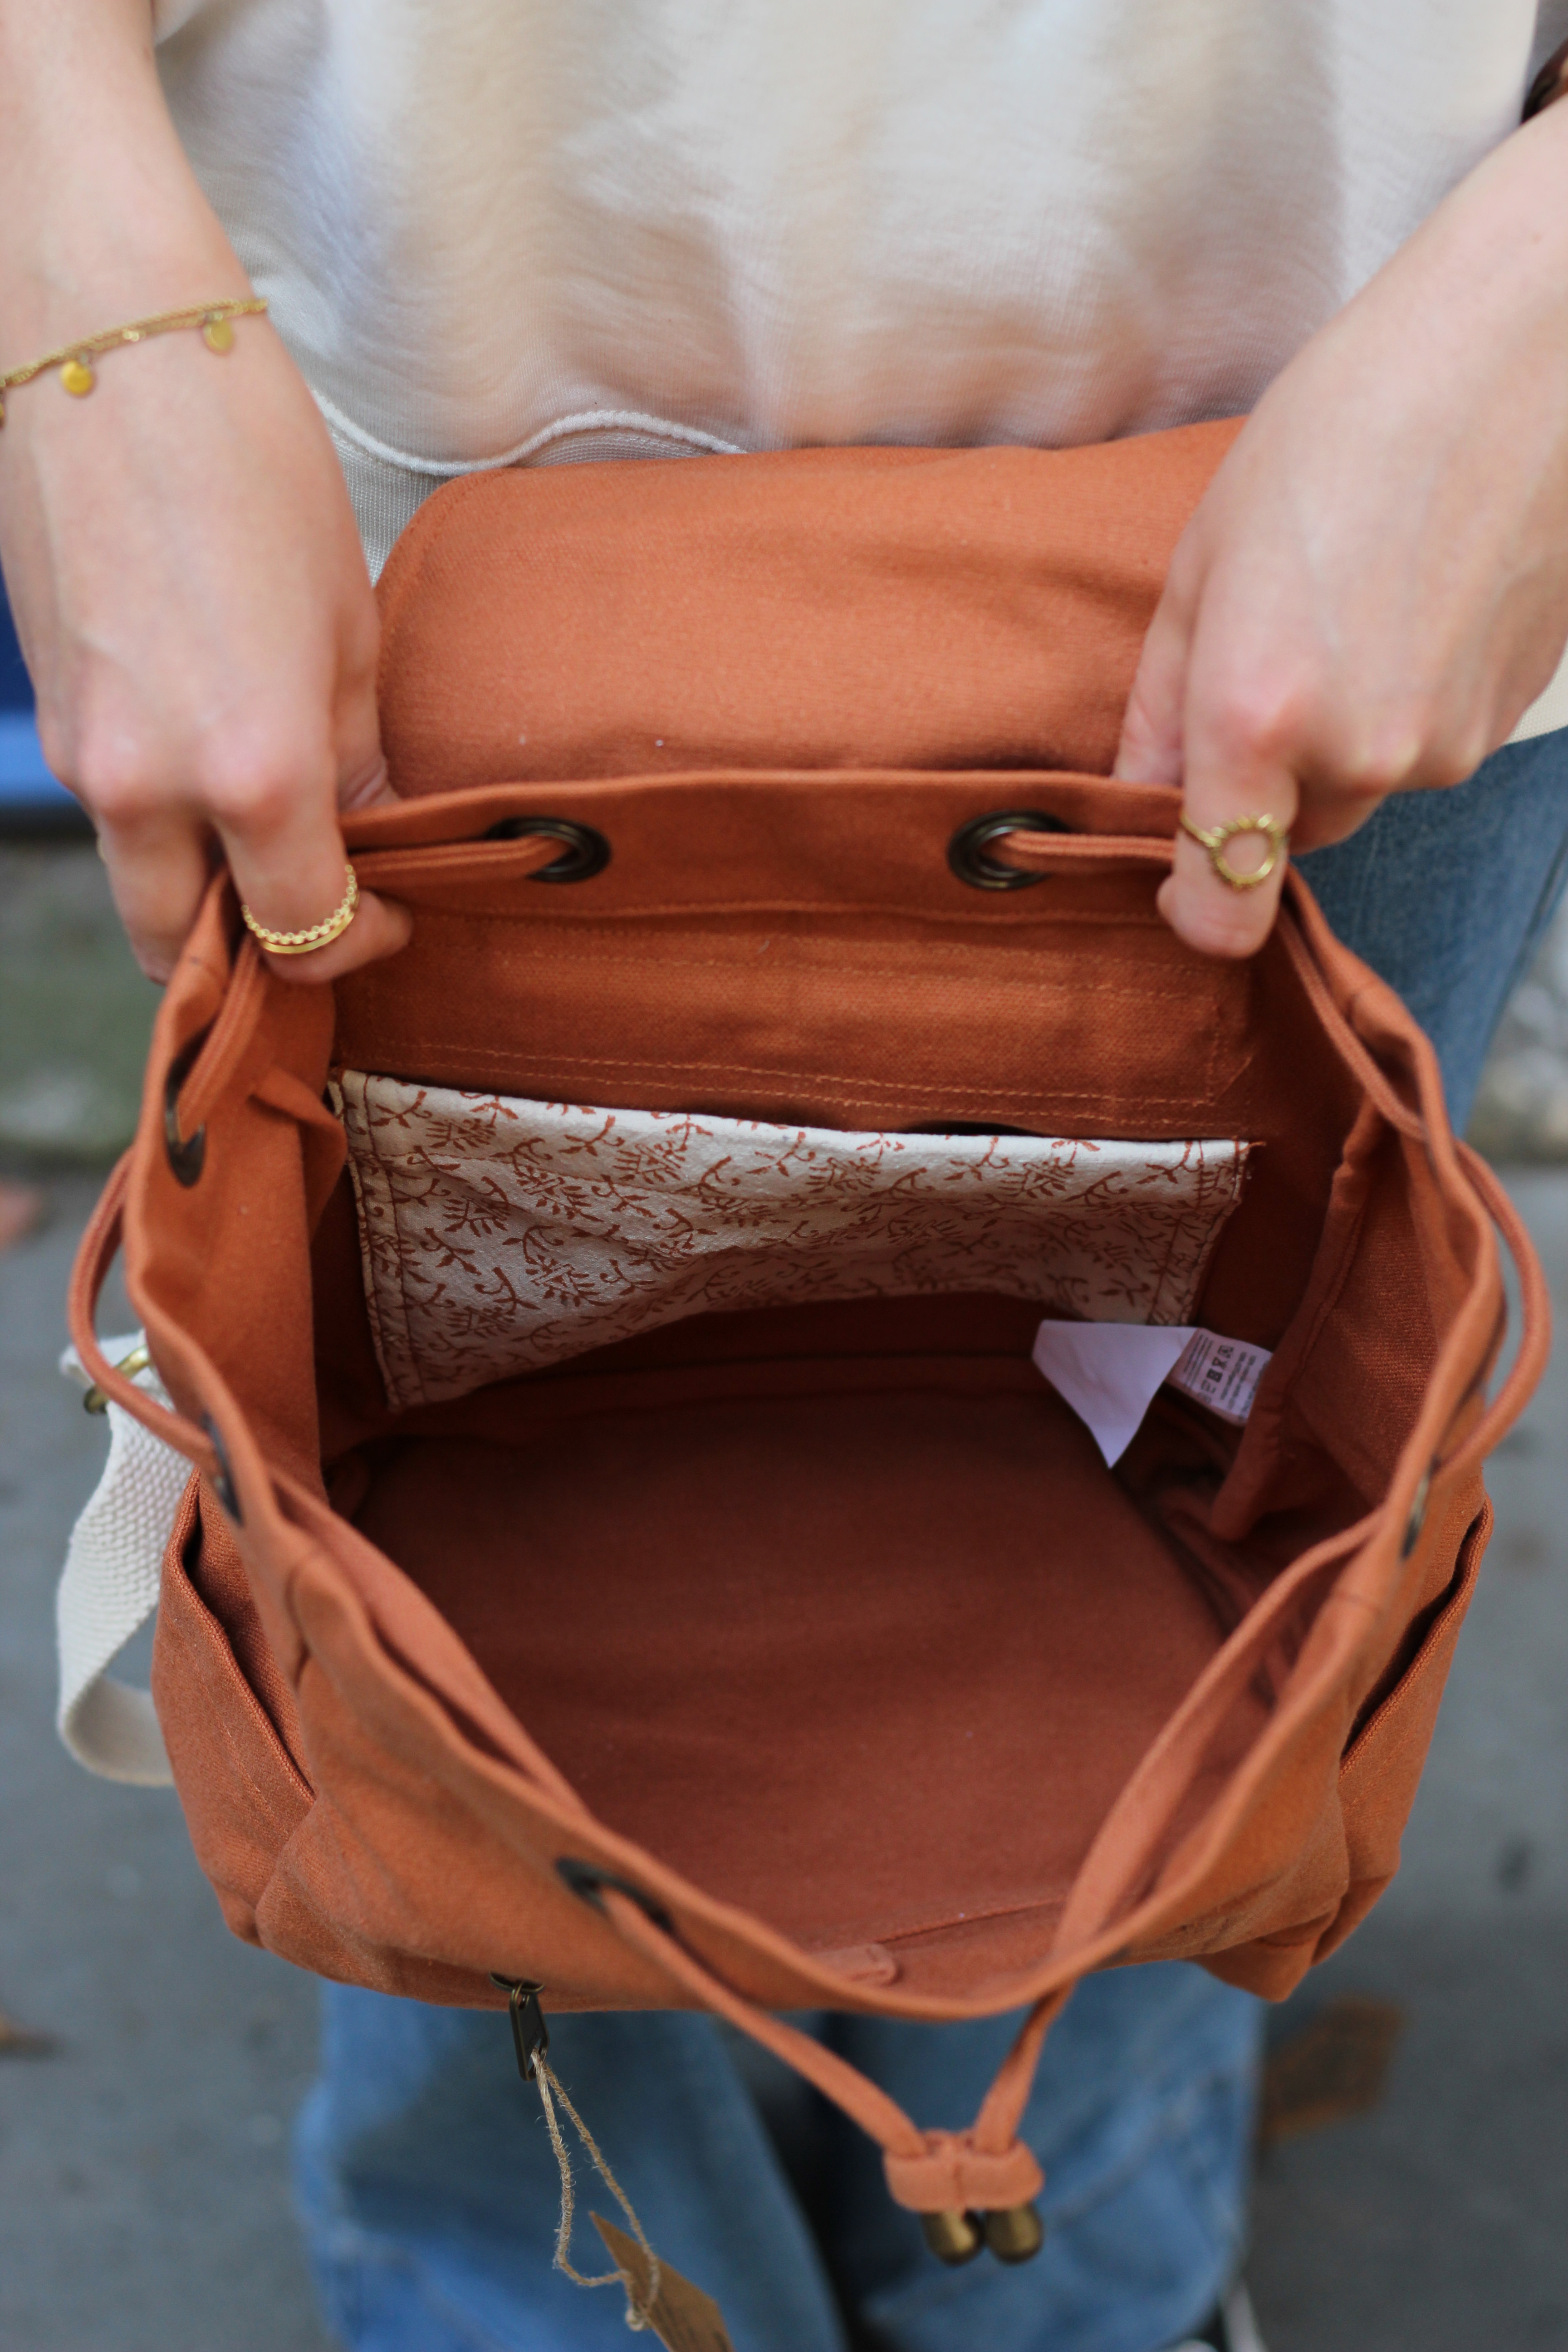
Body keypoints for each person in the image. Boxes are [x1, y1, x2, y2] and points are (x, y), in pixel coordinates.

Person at [4, 6, 1567, 2348]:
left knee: (1234, 1632)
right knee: (424, 1661)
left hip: (1386, 495)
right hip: (339, 509)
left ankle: (1072, 2268)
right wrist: (66, 284)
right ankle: (577, 2293)